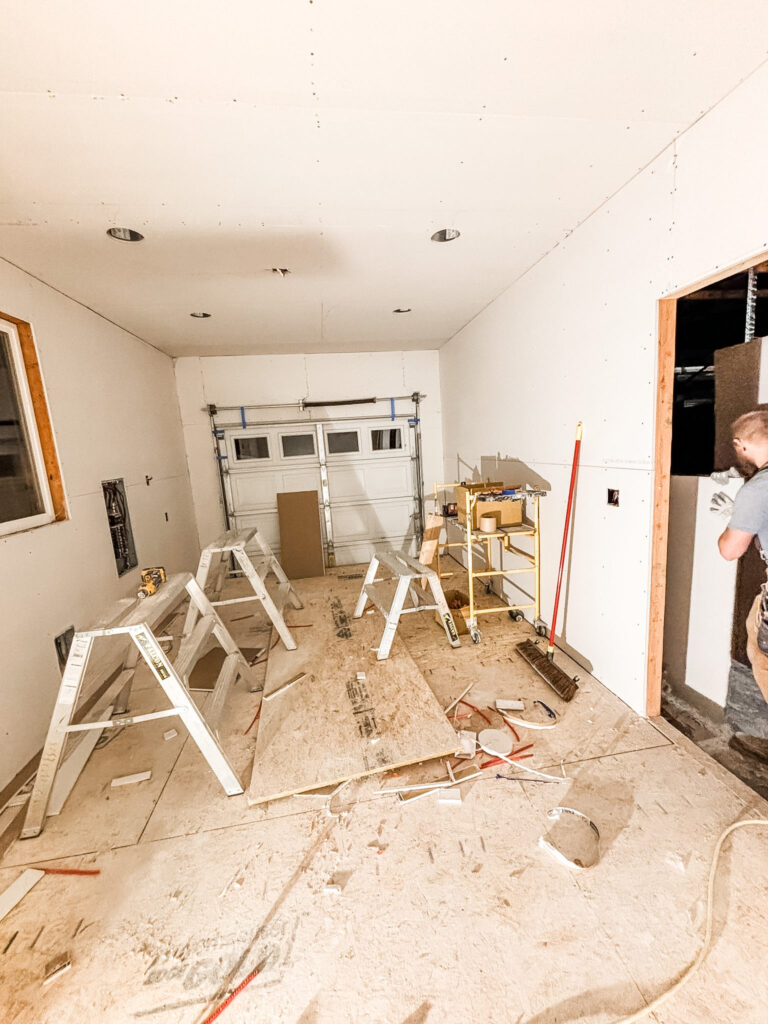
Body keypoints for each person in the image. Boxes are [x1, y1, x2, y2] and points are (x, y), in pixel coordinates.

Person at [711, 407, 768, 761]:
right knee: (752, 626)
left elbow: (730, 550)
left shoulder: (757, 489)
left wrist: (734, 518)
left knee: (763, 658)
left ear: (740, 444)